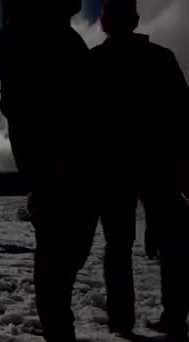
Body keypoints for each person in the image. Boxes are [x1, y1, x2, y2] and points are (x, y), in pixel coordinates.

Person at [0, 1, 101, 340]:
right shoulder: (28, 33)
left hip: (73, 167)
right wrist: (46, 170)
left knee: (63, 264)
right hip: (60, 169)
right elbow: (25, 104)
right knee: (57, 269)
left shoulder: (56, 35)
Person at [91, 0, 189, 340]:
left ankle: (121, 322)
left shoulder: (95, 63)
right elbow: (183, 115)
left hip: (112, 170)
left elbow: (82, 122)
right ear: (134, 20)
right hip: (160, 165)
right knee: (172, 246)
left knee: (118, 247)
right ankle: (176, 318)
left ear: (103, 24)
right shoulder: (161, 58)